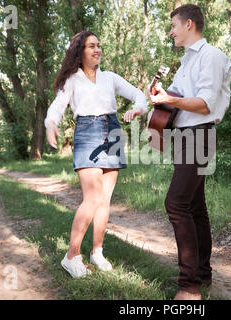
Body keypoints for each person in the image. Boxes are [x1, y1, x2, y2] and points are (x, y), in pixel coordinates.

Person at [45, 30, 147, 278]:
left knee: (104, 199)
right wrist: (51, 123)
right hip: (88, 132)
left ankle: (97, 252)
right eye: (91, 46)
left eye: (99, 45)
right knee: (92, 197)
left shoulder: (110, 77)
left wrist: (137, 109)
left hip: (112, 130)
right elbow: (57, 106)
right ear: (80, 52)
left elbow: (138, 95)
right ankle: (71, 256)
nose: (97, 49)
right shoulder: (72, 80)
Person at [149, 4, 231, 300]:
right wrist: (156, 100)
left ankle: (189, 287)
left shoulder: (212, 56)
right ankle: (202, 275)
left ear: (190, 24)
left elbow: (206, 102)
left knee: (176, 203)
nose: (171, 31)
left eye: (173, 25)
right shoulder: (185, 62)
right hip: (185, 136)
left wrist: (171, 98)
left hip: (200, 135)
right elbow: (173, 100)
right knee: (195, 208)